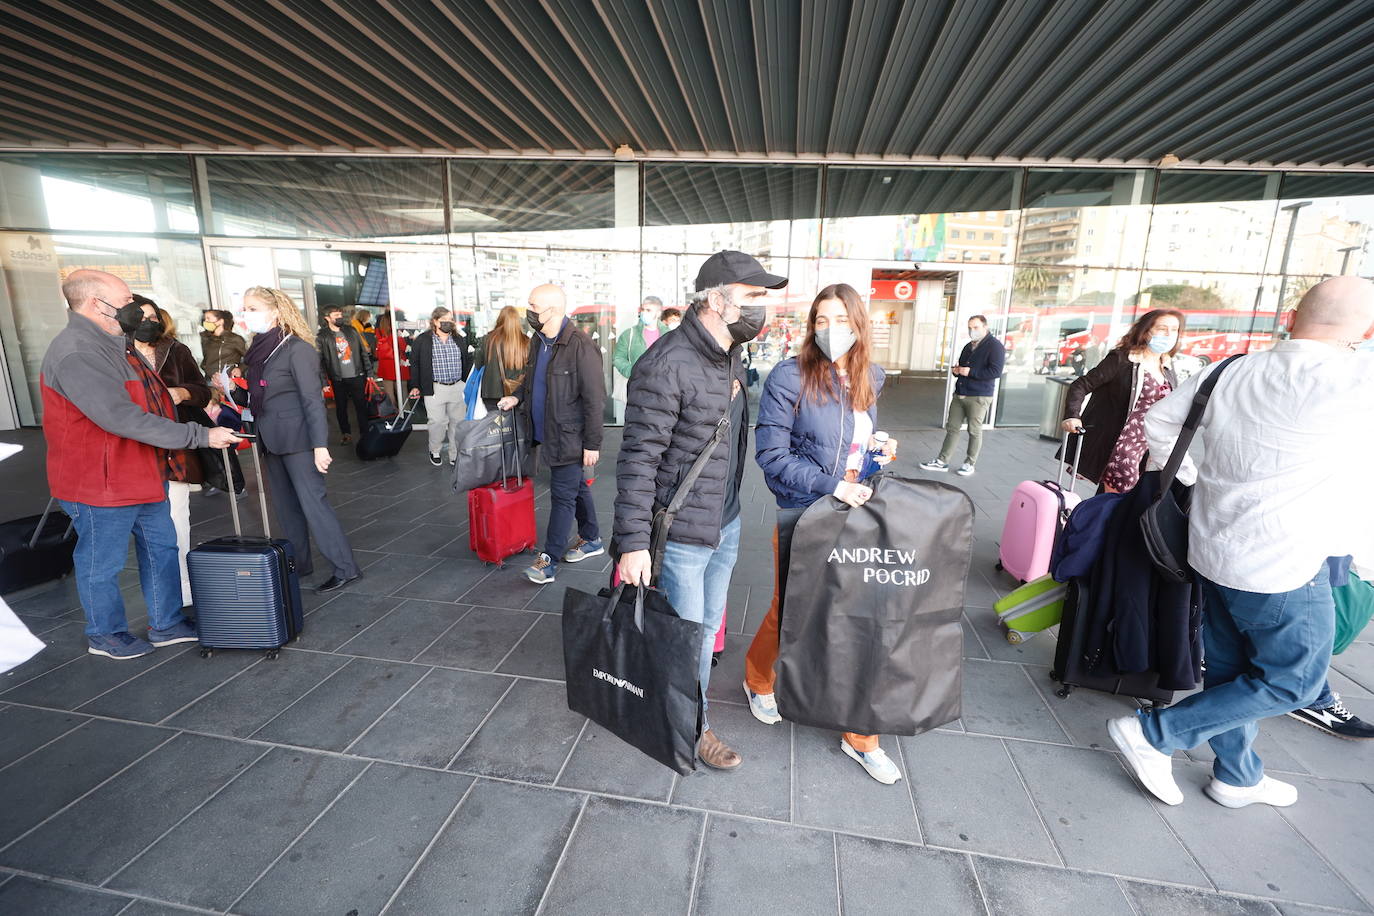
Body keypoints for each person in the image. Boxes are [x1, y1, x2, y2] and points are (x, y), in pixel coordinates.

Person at [1108, 276, 1374, 809]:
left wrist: (1194, 480)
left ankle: (1237, 776)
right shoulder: (1356, 377)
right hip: (1287, 563)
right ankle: (1156, 735)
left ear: (1292, 317)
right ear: (1363, 331)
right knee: (1294, 682)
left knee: (1229, 671)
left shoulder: (1229, 369)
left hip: (1211, 546)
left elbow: (1158, 424)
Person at [614, 250, 787, 770]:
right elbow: (639, 458)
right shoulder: (665, 364)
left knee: (707, 628)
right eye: (753, 296)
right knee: (686, 637)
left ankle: (688, 710)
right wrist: (632, 544)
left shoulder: (729, 352)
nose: (764, 308)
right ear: (717, 301)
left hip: (725, 521)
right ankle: (692, 726)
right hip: (683, 533)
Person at [745, 283, 902, 784]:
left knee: (861, 618)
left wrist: (878, 451)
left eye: (841, 320)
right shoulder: (789, 376)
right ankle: (757, 677)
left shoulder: (868, 375)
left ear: (860, 325)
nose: (831, 330)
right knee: (791, 609)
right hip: (806, 512)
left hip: (856, 512)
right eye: (821, 320)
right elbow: (772, 456)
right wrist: (832, 485)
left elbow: (856, 445)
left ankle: (861, 734)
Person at [41, 270, 240, 659]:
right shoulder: (78, 351)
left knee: (162, 549)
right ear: (97, 304)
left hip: (142, 471)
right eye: (127, 299)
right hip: (99, 481)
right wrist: (200, 437)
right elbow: (122, 418)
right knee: (102, 562)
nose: (135, 308)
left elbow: (151, 402)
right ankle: (105, 634)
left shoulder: (116, 343)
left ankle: (166, 623)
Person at [242, 286, 362, 594]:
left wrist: (320, 445)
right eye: (245, 308)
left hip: (299, 441)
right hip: (271, 439)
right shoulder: (259, 350)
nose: (246, 314)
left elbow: (312, 401)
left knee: (313, 505)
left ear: (276, 312)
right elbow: (261, 396)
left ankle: (345, 568)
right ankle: (300, 563)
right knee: (286, 509)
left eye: (253, 308)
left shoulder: (297, 349)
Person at [496, 285, 606, 584]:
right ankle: (592, 538)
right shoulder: (539, 340)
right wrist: (517, 396)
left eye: (533, 305)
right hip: (547, 432)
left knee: (562, 496)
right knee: (575, 487)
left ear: (553, 310)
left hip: (569, 437)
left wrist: (592, 444)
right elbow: (532, 379)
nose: (528, 311)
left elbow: (595, 399)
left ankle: (549, 560)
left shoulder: (581, 346)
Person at [130, 297, 213, 607]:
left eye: (154, 317)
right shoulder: (114, 354)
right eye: (142, 318)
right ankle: (160, 600)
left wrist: (183, 392)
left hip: (174, 448)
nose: (149, 323)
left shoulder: (175, 350)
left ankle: (184, 595)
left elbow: (203, 391)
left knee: (178, 521)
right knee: (144, 530)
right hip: (134, 450)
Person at [1059, 309, 1183, 492]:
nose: (1169, 334)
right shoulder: (1123, 360)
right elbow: (1081, 385)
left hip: (1149, 450)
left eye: (1174, 330)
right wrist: (1072, 416)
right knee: (1121, 503)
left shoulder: (1167, 366)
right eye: (1162, 328)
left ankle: (1086, 521)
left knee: (1109, 506)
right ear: (1146, 331)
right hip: (1121, 448)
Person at [919, 315, 1005, 477]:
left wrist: (971, 372)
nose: (972, 331)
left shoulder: (995, 346)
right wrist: (956, 370)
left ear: (985, 327)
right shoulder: (968, 346)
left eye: (976, 327)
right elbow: (962, 367)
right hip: (960, 394)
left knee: (974, 430)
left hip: (979, 396)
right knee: (952, 428)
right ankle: (942, 461)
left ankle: (969, 463)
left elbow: (995, 372)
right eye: (970, 328)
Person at [410, 306, 473, 466]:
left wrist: (467, 383)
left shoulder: (459, 339)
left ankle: (454, 453)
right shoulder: (423, 340)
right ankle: (435, 450)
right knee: (437, 422)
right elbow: (415, 364)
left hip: (458, 386)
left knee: (457, 422)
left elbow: (465, 360)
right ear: (435, 321)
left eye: (450, 320)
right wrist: (415, 385)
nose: (448, 323)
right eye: (444, 320)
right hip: (435, 387)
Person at [316, 305, 373, 446]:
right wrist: (324, 382)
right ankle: (346, 433)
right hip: (338, 379)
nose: (339, 317)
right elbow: (319, 362)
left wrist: (369, 373)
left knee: (361, 406)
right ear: (327, 318)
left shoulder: (352, 331)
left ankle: (365, 433)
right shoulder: (322, 336)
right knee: (341, 407)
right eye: (336, 316)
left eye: (340, 315)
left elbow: (363, 352)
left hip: (357, 375)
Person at [472, 305, 528, 411]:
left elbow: (478, 364)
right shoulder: (526, 341)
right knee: (516, 425)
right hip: (517, 394)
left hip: (492, 393)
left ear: (500, 319)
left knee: (495, 425)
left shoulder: (488, 339)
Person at [202, 386, 246, 498]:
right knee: (217, 465)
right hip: (215, 445)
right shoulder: (205, 411)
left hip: (226, 444)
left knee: (232, 466)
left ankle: (239, 488)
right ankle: (219, 484)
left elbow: (235, 424)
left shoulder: (223, 411)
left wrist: (232, 443)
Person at [613, 296, 668, 380]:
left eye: (648, 310)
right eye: (643, 309)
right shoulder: (629, 334)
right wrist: (632, 372)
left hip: (663, 386)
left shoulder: (669, 334)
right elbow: (618, 357)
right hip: (638, 386)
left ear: (658, 313)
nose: (644, 313)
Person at [373, 311, 409, 408]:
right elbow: (404, 347)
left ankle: (393, 413)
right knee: (403, 392)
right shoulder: (398, 334)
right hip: (399, 364)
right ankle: (405, 413)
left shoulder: (380, 332)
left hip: (385, 365)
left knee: (389, 394)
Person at [199, 308, 246, 379]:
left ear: (220, 321)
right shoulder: (206, 339)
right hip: (210, 380)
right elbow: (205, 360)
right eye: (205, 319)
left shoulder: (235, 339)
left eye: (208, 318)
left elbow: (250, 357)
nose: (205, 321)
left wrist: (240, 369)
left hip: (229, 380)